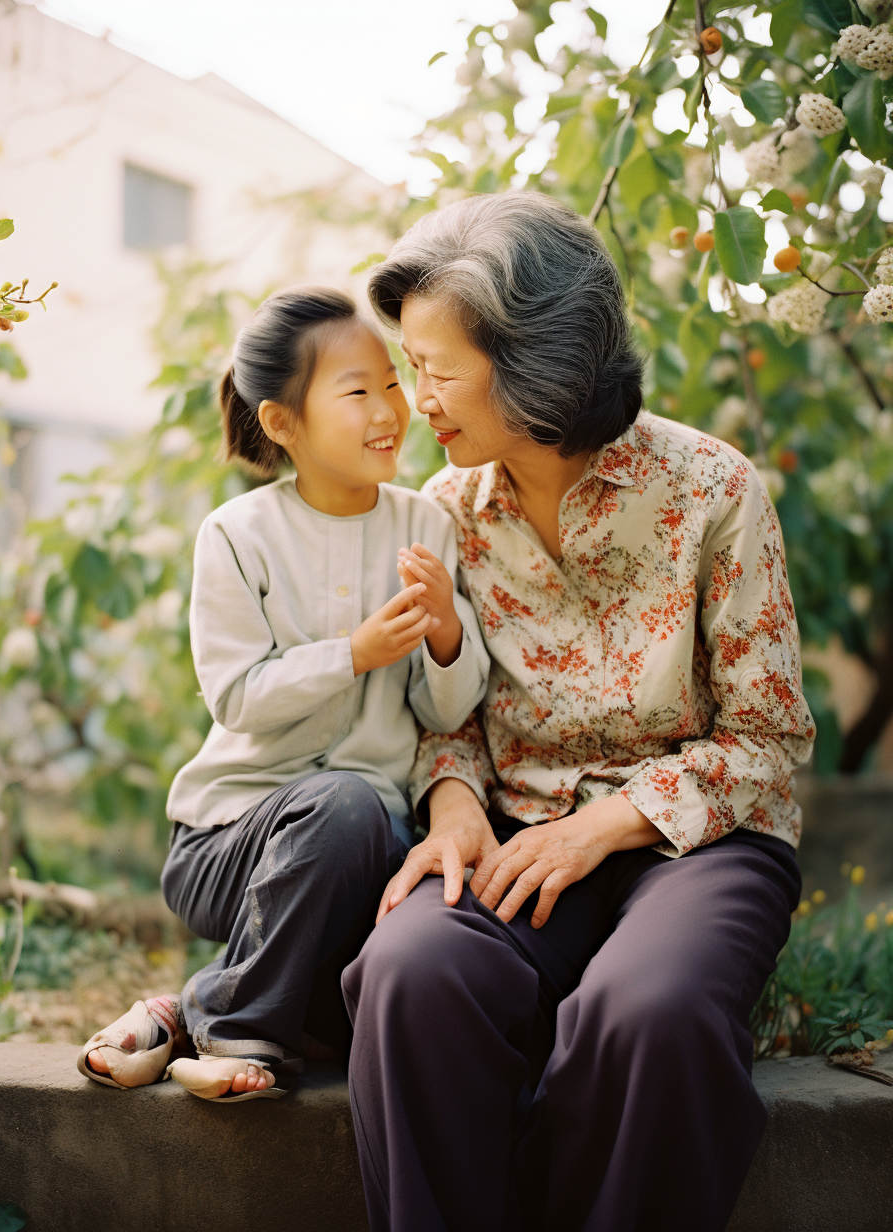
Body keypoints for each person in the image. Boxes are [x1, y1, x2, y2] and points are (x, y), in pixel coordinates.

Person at [340, 192, 815, 1231]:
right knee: (409, 971)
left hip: (700, 842)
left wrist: (602, 825)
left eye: (435, 369)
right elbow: (444, 710)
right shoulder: (445, 512)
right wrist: (456, 799)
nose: (413, 397)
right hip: (515, 831)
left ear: (535, 365)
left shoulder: (711, 490)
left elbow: (769, 739)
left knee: (648, 1011)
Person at [76, 286, 488, 1101]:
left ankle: (182, 1012)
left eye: (392, 383)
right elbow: (236, 697)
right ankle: (235, 1033)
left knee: (359, 1003)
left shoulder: (426, 527)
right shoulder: (237, 536)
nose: (388, 409)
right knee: (338, 804)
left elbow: (446, 713)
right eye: (356, 391)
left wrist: (445, 632)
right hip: (227, 841)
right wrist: (353, 652)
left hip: (362, 849)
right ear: (282, 423)